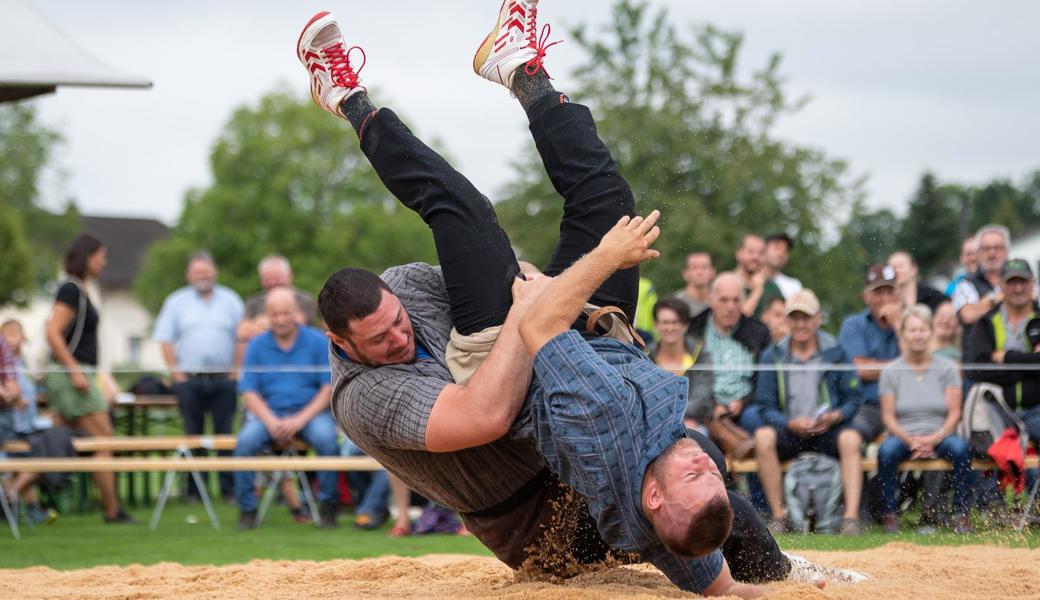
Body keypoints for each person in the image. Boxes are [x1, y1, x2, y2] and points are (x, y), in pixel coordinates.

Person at [301, 6, 860, 595]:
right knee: (475, 211)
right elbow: (489, 409)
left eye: (396, 320)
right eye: (381, 340)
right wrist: (574, 281)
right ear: (340, 343)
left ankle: (521, 71)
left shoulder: (408, 286)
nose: (400, 335)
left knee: (601, 201)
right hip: (538, 499)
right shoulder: (361, 397)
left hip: (558, 360)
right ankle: (349, 98)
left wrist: (542, 283)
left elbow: (494, 269)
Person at [749, 290, 865, 535]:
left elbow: (854, 398)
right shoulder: (773, 356)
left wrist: (834, 416)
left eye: (806, 317)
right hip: (790, 430)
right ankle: (779, 516)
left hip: (827, 429)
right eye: (795, 318)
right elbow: (764, 405)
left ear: (818, 319)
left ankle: (851, 518)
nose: (800, 324)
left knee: (851, 439)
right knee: (762, 437)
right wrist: (789, 422)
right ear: (787, 321)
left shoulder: (836, 352)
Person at [43, 233, 134, 523]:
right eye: (100, 256)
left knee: (54, 441)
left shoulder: (80, 289)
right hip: (70, 376)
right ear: (87, 257)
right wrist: (75, 370)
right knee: (105, 441)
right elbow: (52, 332)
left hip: (76, 374)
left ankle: (12, 492)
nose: (104, 262)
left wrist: (99, 377)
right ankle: (112, 511)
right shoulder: (71, 289)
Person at [234, 287, 338, 529]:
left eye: (285, 313)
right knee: (245, 443)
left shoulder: (316, 341)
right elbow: (249, 392)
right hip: (268, 415)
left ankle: (328, 507)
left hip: (310, 414)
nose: (280, 319)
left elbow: (327, 389)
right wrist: (271, 421)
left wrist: (299, 420)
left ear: (296, 313)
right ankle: (247, 509)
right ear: (266, 316)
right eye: (274, 314)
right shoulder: (256, 346)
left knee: (327, 440)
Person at [153, 251, 244, 502]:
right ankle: (194, 492)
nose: (203, 276)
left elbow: (241, 338)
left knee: (224, 434)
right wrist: (177, 373)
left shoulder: (231, 300)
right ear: (188, 275)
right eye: (197, 272)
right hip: (189, 380)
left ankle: (228, 490)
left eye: (206, 271)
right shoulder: (176, 302)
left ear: (214, 271)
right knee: (193, 435)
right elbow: (164, 340)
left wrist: (236, 370)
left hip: (224, 379)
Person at [878, 304, 972, 534]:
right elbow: (888, 417)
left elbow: (954, 413)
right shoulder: (891, 371)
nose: (918, 335)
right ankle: (889, 515)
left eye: (922, 330)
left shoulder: (948, 368)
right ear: (903, 333)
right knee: (886, 452)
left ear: (930, 332)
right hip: (903, 434)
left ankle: (961, 514)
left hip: (940, 433)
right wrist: (911, 441)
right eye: (912, 330)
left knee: (961, 449)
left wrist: (934, 438)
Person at [836, 264, 903, 527]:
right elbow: (859, 369)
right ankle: (851, 517)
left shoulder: (912, 322)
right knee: (849, 438)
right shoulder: (853, 325)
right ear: (867, 295)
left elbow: (925, 363)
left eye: (889, 291)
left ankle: (930, 513)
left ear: (898, 295)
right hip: (869, 407)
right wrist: (902, 365)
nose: (884, 299)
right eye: (878, 292)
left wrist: (899, 325)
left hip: (907, 408)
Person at [964, 258, 1040, 446]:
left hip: (1037, 411)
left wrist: (1007, 357)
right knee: (982, 458)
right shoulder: (985, 322)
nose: (1018, 288)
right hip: (996, 413)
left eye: (1023, 281)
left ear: (1033, 283)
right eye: (1011, 282)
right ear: (1000, 286)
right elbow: (977, 370)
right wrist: (1031, 363)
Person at [687, 273, 771, 442]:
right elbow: (689, 377)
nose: (730, 307)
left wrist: (743, 402)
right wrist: (711, 406)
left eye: (736, 300)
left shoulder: (758, 333)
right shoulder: (694, 330)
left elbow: (765, 381)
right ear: (711, 300)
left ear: (743, 301)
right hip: (703, 408)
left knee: (758, 421)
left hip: (746, 407)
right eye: (724, 300)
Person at [0, 319, 58, 526]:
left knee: (43, 455)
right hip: (13, 427)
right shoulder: (10, 364)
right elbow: (12, 395)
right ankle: (12, 498)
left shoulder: (22, 364)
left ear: (24, 337)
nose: (9, 339)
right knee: (32, 460)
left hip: (27, 425)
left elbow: (20, 392)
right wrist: (14, 400)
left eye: (14, 334)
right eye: (6, 334)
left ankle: (16, 500)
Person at [646, 298, 712, 436]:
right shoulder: (646, 357)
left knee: (696, 435)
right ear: (655, 325)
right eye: (665, 322)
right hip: (655, 425)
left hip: (693, 422)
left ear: (685, 325)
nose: (670, 328)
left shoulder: (700, 354)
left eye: (675, 322)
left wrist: (680, 419)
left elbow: (702, 396)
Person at [239, 255, 318, 341]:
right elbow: (243, 332)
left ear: (290, 275)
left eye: (277, 278)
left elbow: (300, 324)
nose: (273, 283)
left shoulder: (305, 299)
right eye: (268, 279)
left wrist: (260, 323)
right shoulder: (253, 302)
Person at [953, 225, 1010, 326]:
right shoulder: (966, 283)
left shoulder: (1020, 277)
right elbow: (969, 315)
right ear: (978, 253)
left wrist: (984, 304)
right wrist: (1001, 298)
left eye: (997, 248)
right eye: (986, 249)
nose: (992, 254)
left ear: (1006, 251)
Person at [733, 234, 785, 320]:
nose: (756, 257)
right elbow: (735, 322)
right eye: (751, 252)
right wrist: (757, 291)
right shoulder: (724, 284)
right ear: (739, 253)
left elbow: (783, 321)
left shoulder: (773, 289)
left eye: (761, 253)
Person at [672, 253, 715, 319]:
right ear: (685, 273)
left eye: (705, 267)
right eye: (695, 268)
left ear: (712, 272)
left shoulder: (720, 301)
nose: (700, 272)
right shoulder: (675, 303)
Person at [764, 233, 802, 299]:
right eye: (777, 247)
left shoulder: (794, 286)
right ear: (764, 249)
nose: (781, 253)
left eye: (786, 250)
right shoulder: (746, 280)